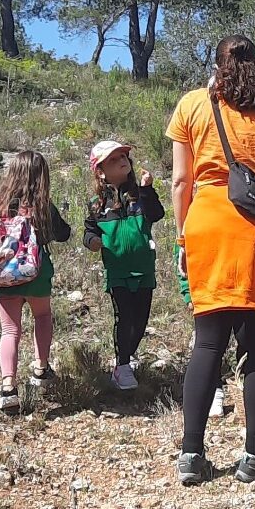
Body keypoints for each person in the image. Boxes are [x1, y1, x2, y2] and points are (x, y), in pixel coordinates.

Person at [167, 33, 255, 485]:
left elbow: (180, 181)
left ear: (215, 65)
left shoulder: (193, 105)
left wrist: (182, 239)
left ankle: (192, 455)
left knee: (207, 344)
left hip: (208, 226)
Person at [0, 149, 71, 415]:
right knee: (42, 316)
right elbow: (63, 233)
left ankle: (8, 387)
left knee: (10, 329)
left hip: (3, 274)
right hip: (36, 272)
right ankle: (41, 368)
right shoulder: (42, 207)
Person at [83, 139, 166, 392]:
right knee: (124, 317)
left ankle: (128, 355)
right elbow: (88, 231)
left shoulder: (139, 195)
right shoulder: (97, 204)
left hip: (144, 268)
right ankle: (122, 365)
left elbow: (156, 214)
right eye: (113, 159)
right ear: (101, 172)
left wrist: (148, 189)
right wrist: (93, 242)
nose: (121, 160)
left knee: (140, 319)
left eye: (123, 156)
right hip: (117, 271)